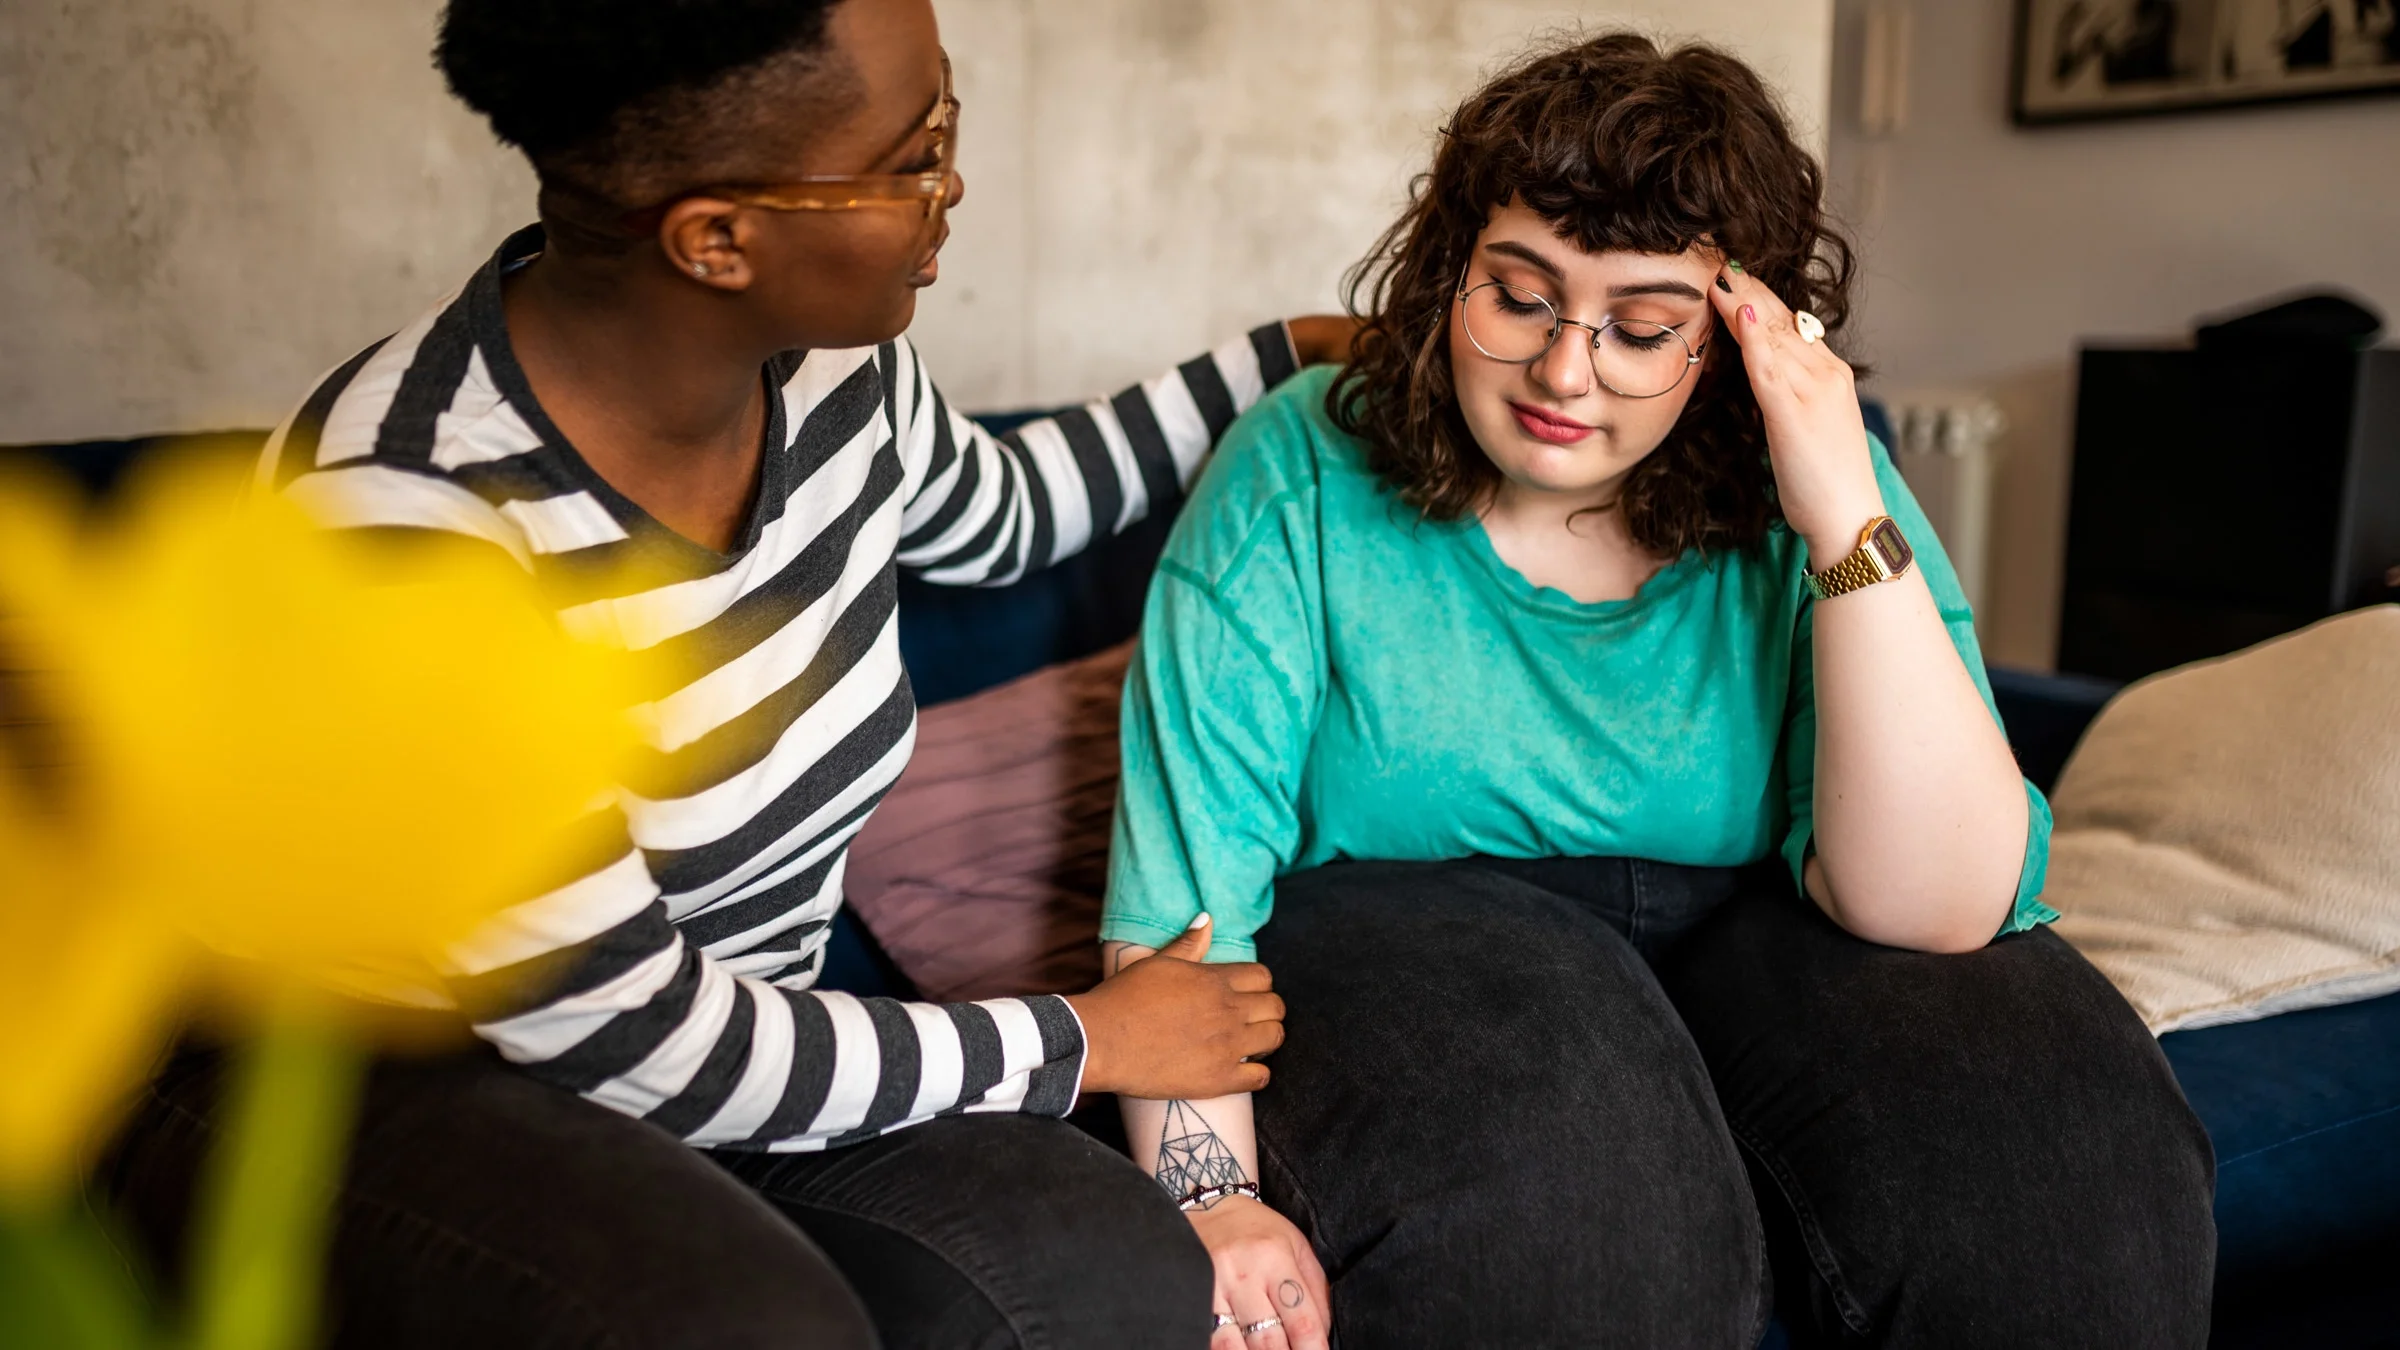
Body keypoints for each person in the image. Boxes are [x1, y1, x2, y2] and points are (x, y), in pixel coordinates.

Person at [98, 1, 1356, 1347]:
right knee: (751, 1322)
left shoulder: (833, 381)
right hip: (375, 1085)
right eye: (913, 153)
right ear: (716, 237)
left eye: (948, 120)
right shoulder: (413, 528)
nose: (953, 184)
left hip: (730, 1037)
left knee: (1105, 1261)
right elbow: (639, 1030)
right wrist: (1086, 1039)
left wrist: (1287, 354)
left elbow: (1011, 514)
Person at [1101, 33, 2216, 1350]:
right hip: (1409, 933)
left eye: (1641, 329)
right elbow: (1186, 900)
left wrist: (1837, 505)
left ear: (1739, 335)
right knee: (1592, 1221)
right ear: (1448, 267)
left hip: (1757, 926)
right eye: (1518, 299)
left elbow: (1935, 906)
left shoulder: (1812, 487)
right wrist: (1210, 1195)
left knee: (2075, 1165)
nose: (1566, 374)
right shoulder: (1302, 463)